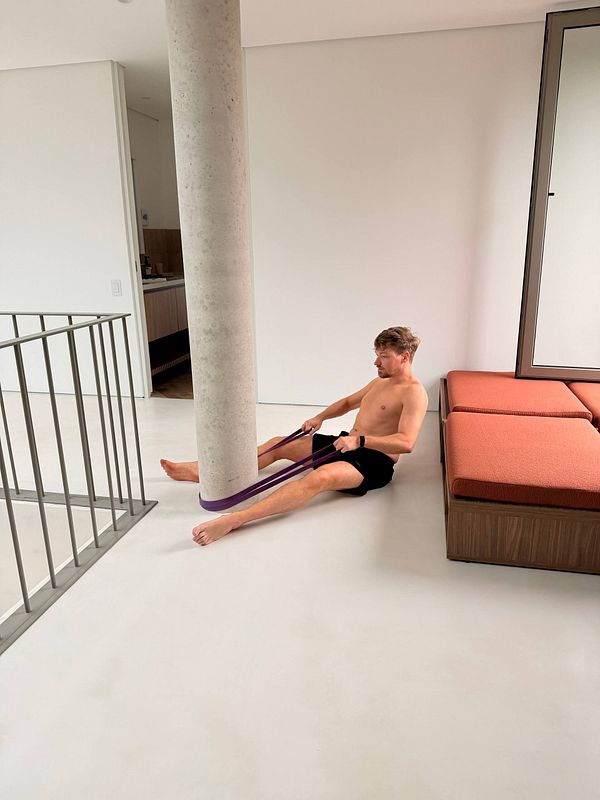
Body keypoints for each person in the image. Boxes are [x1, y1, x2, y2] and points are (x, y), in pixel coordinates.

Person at [160, 326, 428, 546]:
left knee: (318, 478)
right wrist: (320, 418)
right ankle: (204, 471)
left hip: (374, 461)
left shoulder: (414, 393)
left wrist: (360, 441)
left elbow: (407, 442)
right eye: (377, 354)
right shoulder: (379, 381)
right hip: (347, 443)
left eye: (383, 356)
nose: (376, 362)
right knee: (278, 444)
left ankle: (235, 519)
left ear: (404, 357)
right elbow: (348, 402)